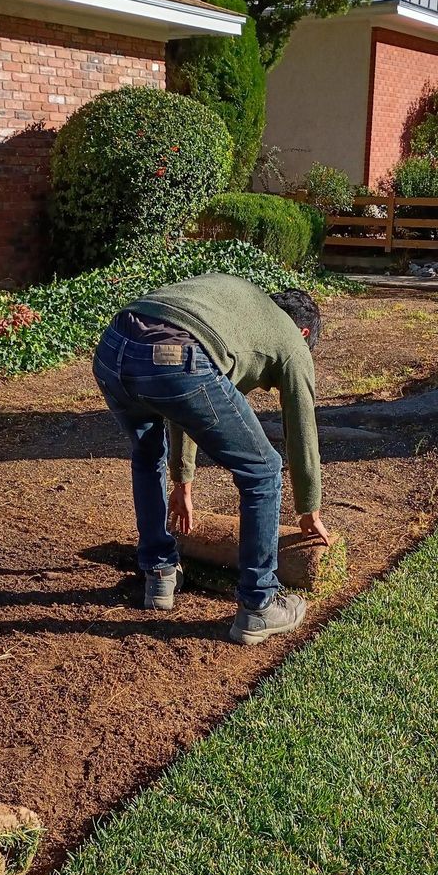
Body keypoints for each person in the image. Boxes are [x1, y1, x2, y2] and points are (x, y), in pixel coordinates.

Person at [93, 272, 330, 646]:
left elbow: (183, 400)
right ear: (304, 333)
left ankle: (160, 574)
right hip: (177, 353)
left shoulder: (236, 310)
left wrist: (182, 483)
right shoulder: (291, 341)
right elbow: (302, 425)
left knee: (147, 452)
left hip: (113, 346)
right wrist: (309, 508)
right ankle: (259, 604)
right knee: (263, 471)